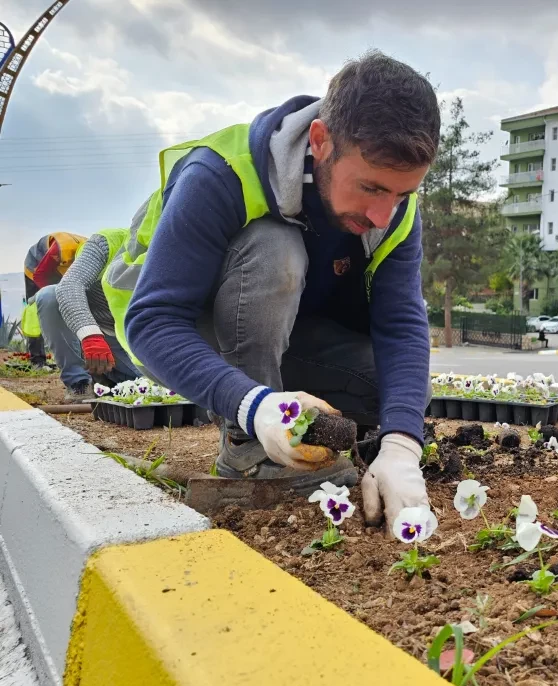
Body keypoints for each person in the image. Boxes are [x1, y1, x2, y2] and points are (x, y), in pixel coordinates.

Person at [104, 51, 439, 531]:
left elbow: (402, 327)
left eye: (402, 194)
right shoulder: (220, 173)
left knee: (401, 387)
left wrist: (402, 445)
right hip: (189, 338)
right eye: (370, 188)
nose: (384, 215)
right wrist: (256, 406)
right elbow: (153, 320)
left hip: (294, 337)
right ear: (321, 141)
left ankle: (308, 433)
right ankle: (249, 445)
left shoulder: (394, 215)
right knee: (275, 250)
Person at [33, 229, 141, 401]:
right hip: (95, 332)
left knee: (148, 386)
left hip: (130, 339)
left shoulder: (178, 256)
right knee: (50, 295)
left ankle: (106, 380)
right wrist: (91, 336)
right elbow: (69, 286)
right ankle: (79, 384)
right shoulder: (107, 243)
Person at [21, 232, 87, 367]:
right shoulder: (62, 249)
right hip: (36, 268)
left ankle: (79, 358)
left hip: (60, 272)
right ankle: (37, 361)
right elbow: (40, 275)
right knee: (36, 313)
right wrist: (52, 295)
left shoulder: (92, 253)